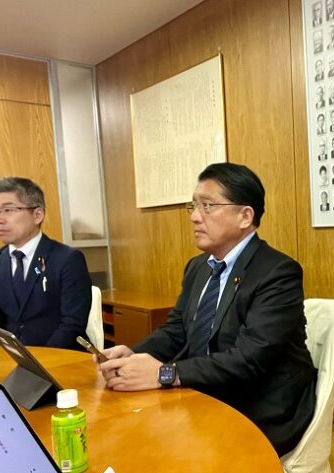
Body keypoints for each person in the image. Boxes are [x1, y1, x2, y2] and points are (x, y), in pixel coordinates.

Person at [96, 163, 317, 457]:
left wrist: (164, 373)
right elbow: (176, 331)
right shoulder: (198, 267)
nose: (195, 217)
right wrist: (132, 355)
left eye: (208, 206)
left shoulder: (277, 272)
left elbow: (249, 359)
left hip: (259, 404)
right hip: (203, 390)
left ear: (245, 216)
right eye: (194, 205)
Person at [0, 177, 92, 349]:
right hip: (9, 359)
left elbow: (72, 325)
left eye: (8, 210)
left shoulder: (68, 259)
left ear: (37, 215)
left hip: (61, 357)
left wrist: (35, 362)